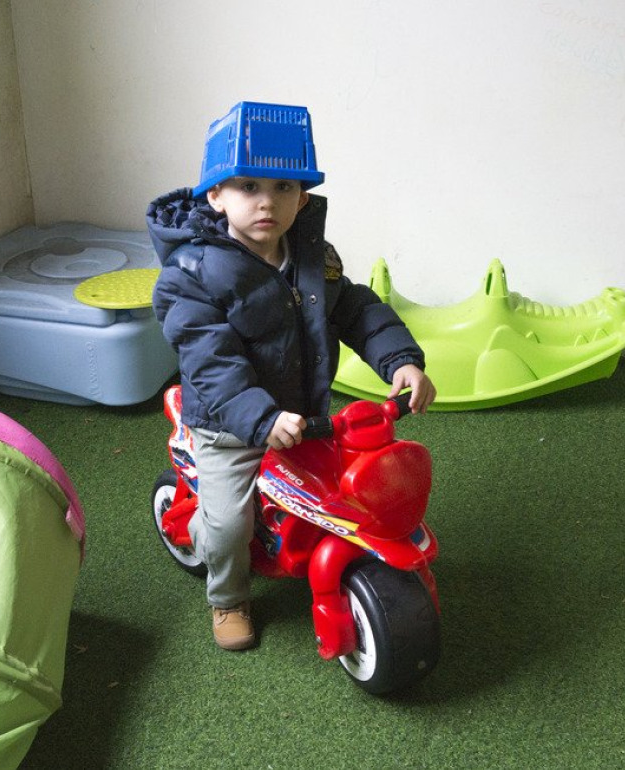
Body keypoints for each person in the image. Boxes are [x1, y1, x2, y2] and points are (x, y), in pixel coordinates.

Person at [148, 102, 435, 650]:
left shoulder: (311, 257)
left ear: (302, 197)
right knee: (230, 524)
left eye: (284, 187)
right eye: (247, 186)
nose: (266, 202)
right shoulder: (190, 276)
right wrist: (259, 417)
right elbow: (211, 362)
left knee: (347, 491)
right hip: (229, 424)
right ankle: (227, 598)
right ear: (215, 196)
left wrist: (401, 359)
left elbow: (354, 308)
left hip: (305, 415)